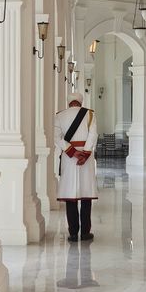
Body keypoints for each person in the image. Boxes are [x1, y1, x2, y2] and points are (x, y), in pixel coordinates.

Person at [54, 93, 98, 242]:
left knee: (70, 196)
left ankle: (73, 233)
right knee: (86, 195)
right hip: (86, 159)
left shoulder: (60, 115)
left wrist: (72, 152)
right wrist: (84, 154)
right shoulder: (90, 114)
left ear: (69, 102)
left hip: (69, 157)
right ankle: (85, 232)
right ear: (81, 101)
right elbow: (93, 135)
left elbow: (57, 137)